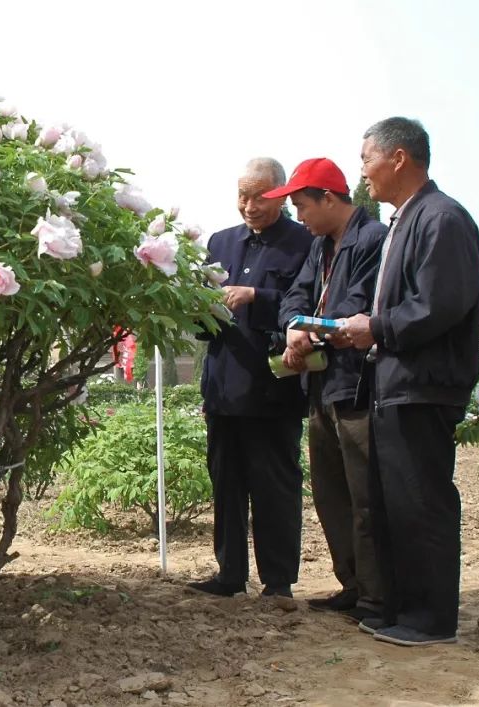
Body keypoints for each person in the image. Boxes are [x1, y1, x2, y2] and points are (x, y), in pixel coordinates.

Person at [337, 117, 479, 647]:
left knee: (421, 502)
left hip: (424, 385)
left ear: (398, 158)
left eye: (365, 158)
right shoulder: (406, 220)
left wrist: (374, 327)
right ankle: (399, 608)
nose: (363, 171)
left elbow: (437, 305)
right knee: (394, 501)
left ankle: (430, 618)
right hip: (395, 383)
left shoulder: (442, 219)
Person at [188, 158, 312, 599]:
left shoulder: (304, 243)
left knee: (274, 484)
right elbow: (203, 317)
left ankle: (278, 582)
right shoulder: (221, 243)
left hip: (273, 387)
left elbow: (308, 301)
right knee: (226, 481)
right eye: (242, 195)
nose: (249, 205)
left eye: (259, 196)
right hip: (224, 385)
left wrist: (256, 296)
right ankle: (229, 575)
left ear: (280, 194)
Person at [271, 158, 387, 621]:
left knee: (365, 496)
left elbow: (355, 307)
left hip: (357, 385)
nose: (299, 216)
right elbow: (294, 298)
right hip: (321, 384)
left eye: (302, 205)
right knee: (329, 493)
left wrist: (307, 331)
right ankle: (352, 584)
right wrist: (293, 328)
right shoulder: (319, 247)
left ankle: (377, 596)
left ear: (330, 198)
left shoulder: (372, 241)